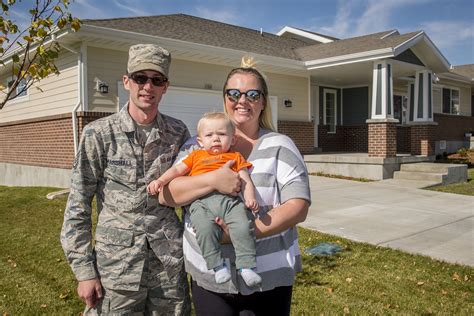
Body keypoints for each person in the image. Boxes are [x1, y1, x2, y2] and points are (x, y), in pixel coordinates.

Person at [159, 57, 311, 315]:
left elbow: (298, 206)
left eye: (252, 94)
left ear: (263, 102)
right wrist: (212, 180)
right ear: (225, 98)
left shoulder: (280, 145)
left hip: (267, 278)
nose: (242, 100)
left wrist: (241, 232)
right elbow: (168, 194)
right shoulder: (197, 145)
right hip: (210, 278)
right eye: (234, 93)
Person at [60, 44, 191, 315]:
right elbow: (78, 205)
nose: (148, 86)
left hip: (168, 267)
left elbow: (190, 193)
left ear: (165, 86)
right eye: (140, 78)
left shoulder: (178, 132)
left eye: (157, 80)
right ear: (126, 81)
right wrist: (84, 270)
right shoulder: (98, 134)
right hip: (117, 270)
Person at [147, 112, 261, 287]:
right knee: (203, 230)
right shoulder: (196, 156)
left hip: (230, 202)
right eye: (209, 135)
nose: (215, 139)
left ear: (232, 140)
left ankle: (246, 266)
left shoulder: (235, 157)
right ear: (200, 141)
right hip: (201, 203)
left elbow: (245, 179)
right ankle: (217, 266)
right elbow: (177, 171)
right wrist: (161, 180)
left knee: (243, 226)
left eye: (222, 134)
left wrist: (250, 197)